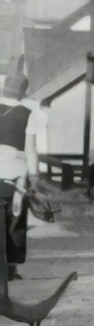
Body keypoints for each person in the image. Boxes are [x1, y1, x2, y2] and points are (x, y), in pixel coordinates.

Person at [0, 70, 40, 285]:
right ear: (23, 92)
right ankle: (11, 268)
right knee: (15, 221)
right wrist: (34, 179)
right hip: (13, 178)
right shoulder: (27, 113)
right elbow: (31, 150)